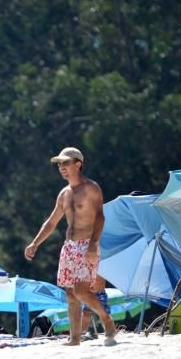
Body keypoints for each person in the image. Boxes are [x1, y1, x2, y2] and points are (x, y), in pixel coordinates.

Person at [25, 147, 117, 346]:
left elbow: (100, 217)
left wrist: (93, 244)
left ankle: (106, 317)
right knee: (70, 293)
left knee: (81, 290)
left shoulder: (91, 188)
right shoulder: (64, 194)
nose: (61, 167)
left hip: (87, 245)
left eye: (65, 163)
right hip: (69, 247)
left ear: (78, 164)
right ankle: (75, 338)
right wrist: (35, 243)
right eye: (59, 164)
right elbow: (51, 222)